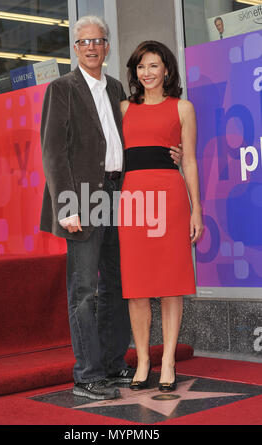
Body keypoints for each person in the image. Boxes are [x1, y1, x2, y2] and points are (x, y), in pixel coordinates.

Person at [40, 17, 182, 401]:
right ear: (76, 47)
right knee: (84, 289)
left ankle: (113, 362)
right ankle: (87, 374)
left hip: (122, 194)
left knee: (120, 284)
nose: (91, 47)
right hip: (81, 199)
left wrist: (173, 151)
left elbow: (137, 137)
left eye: (98, 41)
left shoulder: (118, 89)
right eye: (84, 41)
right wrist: (65, 204)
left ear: (106, 47)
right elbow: (53, 151)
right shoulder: (62, 88)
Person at [118, 41, 203, 392]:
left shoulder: (183, 108)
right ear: (134, 72)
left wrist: (196, 208)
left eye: (154, 65)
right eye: (141, 67)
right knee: (136, 288)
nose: (147, 73)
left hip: (170, 198)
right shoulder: (122, 107)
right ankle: (142, 360)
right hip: (133, 200)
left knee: (170, 285)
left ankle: (167, 359)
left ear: (166, 69)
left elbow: (190, 161)